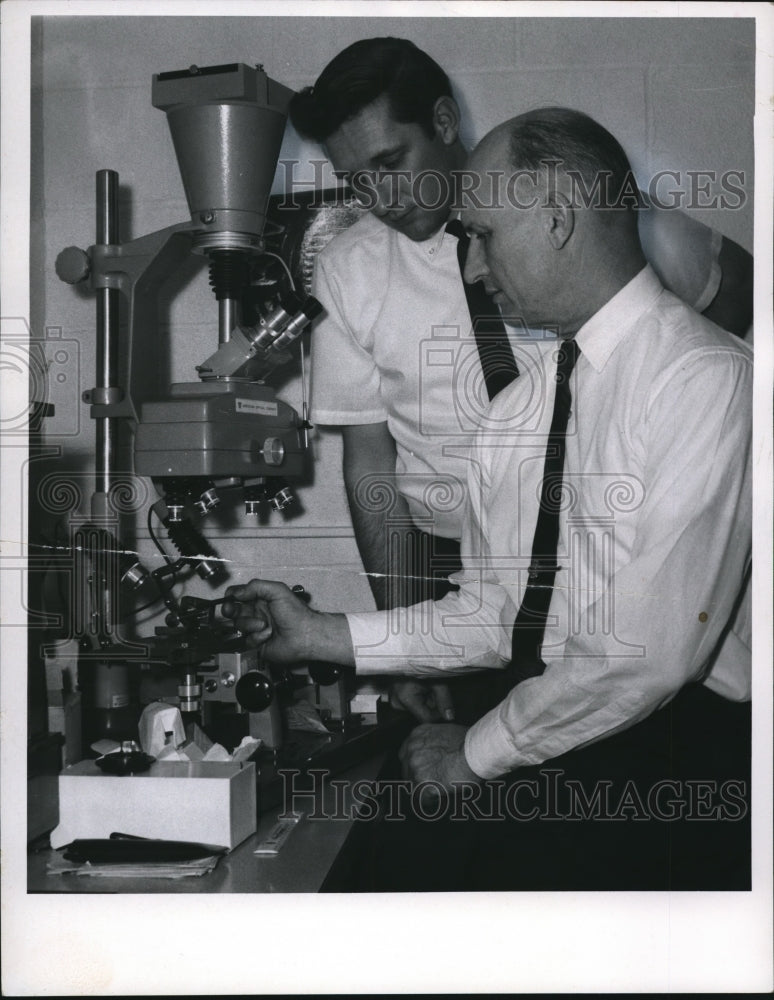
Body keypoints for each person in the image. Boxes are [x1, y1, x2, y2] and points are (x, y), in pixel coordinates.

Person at [225, 108, 752, 890]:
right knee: (363, 873)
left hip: (678, 750)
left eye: (484, 236)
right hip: (565, 717)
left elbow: (648, 657)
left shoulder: (706, 379)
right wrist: (322, 635)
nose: (470, 268)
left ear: (558, 216)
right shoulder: (520, 408)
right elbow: (495, 612)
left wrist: (476, 752)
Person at [287, 37, 754, 728]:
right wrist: (400, 643)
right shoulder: (349, 272)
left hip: (625, 570)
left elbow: (737, 311)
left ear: (443, 123)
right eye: (357, 179)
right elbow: (370, 465)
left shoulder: (600, 215)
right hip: (477, 588)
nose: (378, 197)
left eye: (390, 162)